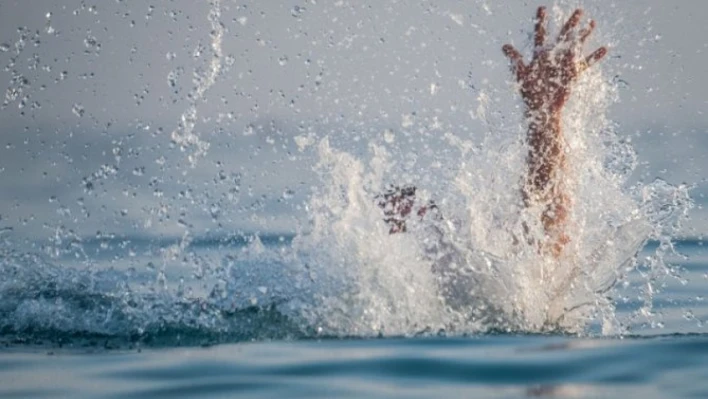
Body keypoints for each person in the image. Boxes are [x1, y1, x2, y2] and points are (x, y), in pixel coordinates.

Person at [378, 7, 607, 259]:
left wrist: (544, 117)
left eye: (407, 215)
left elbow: (545, 239)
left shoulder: (466, 254)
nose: (397, 225)